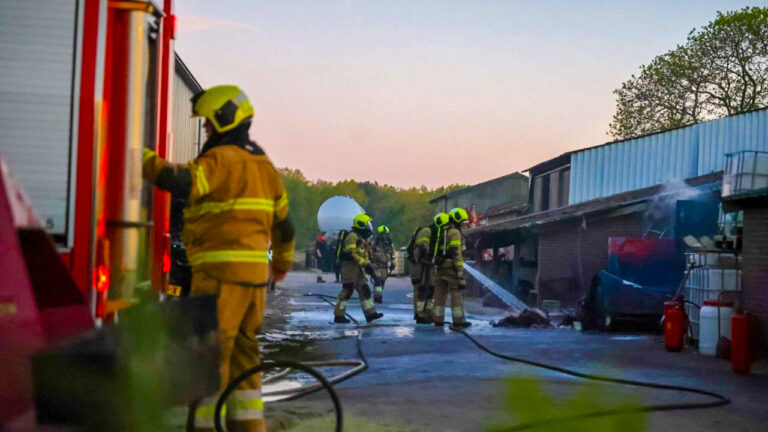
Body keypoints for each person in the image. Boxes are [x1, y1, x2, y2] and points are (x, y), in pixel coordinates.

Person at [142, 85, 294, 432]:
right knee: (245, 355)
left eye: (209, 124)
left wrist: (142, 160)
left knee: (210, 357)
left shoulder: (221, 160)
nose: (207, 131)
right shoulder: (264, 166)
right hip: (254, 280)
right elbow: (285, 225)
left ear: (225, 120)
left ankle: (206, 427)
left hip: (218, 277)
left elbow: (183, 182)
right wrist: (281, 264)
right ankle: (249, 426)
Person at [333, 213, 384, 324]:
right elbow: (352, 254)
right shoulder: (353, 236)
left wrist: (368, 265)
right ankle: (339, 315)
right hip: (349, 267)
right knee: (347, 290)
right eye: (367, 224)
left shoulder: (360, 238)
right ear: (361, 224)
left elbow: (363, 254)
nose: (368, 227)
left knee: (364, 290)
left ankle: (371, 314)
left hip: (359, 268)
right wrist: (365, 264)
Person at [432, 208, 471, 329]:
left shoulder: (442, 231)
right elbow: (456, 252)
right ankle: (458, 320)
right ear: (457, 220)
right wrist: (459, 271)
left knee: (439, 293)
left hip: (439, 267)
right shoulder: (455, 232)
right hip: (451, 268)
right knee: (456, 292)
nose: (463, 225)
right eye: (462, 222)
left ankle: (438, 319)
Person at [408, 213, 449, 324]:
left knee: (430, 288)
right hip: (419, 264)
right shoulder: (427, 231)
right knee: (421, 288)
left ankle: (428, 311)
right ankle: (419, 313)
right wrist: (430, 257)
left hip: (428, 264)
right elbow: (422, 246)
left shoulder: (439, 233)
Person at [370, 225, 395, 303]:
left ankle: (377, 293)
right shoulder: (373, 244)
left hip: (384, 266)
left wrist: (393, 262)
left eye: (386, 234)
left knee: (382, 282)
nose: (384, 236)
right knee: (378, 280)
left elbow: (392, 253)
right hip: (376, 266)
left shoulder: (389, 245)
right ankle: (378, 297)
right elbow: (369, 253)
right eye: (382, 234)